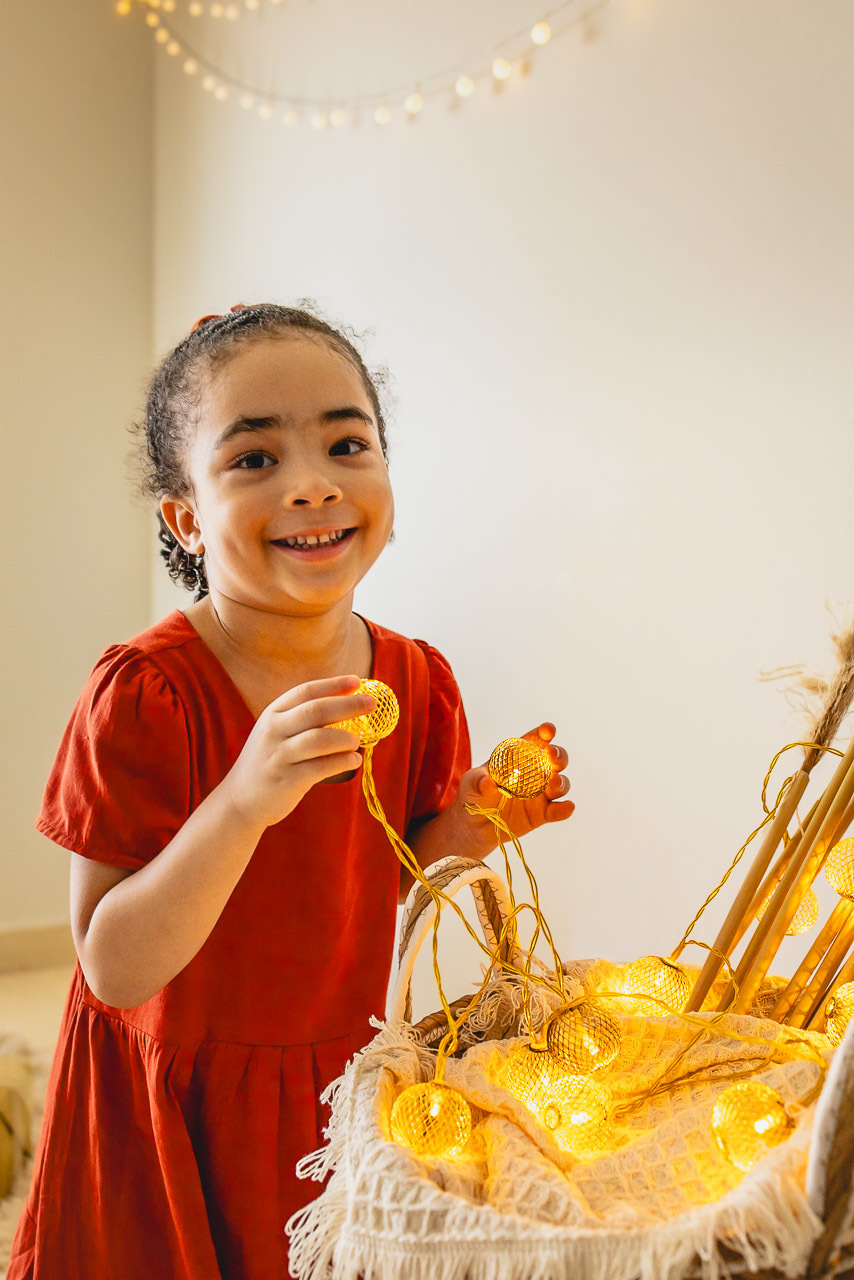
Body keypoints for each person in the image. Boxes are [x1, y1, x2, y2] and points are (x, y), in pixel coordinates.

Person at [6, 302, 574, 1280]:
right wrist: (242, 798)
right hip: (171, 1104)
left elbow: (385, 884)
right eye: (255, 459)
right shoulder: (145, 693)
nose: (312, 484)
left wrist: (472, 825)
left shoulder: (416, 680)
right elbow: (114, 969)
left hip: (334, 1081)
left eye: (346, 443)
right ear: (185, 514)